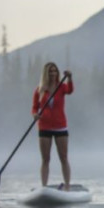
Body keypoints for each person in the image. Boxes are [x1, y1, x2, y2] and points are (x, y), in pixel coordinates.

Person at [33, 62, 74, 191]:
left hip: (60, 126)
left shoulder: (61, 87)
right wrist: (35, 115)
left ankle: (67, 186)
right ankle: (44, 187)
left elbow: (70, 90)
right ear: (46, 73)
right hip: (44, 127)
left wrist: (69, 78)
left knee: (63, 157)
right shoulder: (39, 90)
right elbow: (34, 108)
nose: (53, 74)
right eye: (50, 71)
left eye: (55, 71)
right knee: (45, 159)